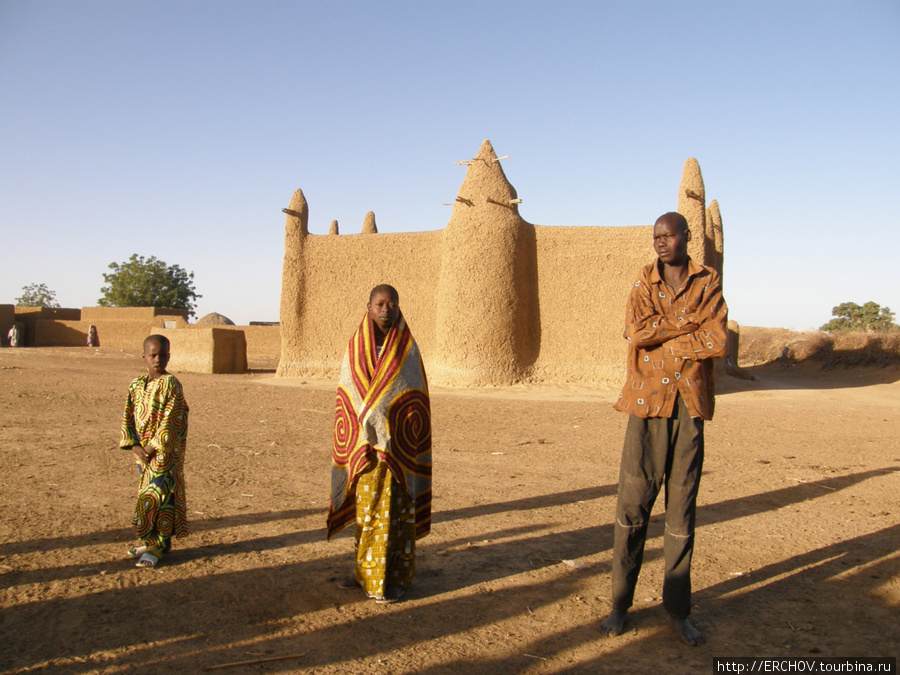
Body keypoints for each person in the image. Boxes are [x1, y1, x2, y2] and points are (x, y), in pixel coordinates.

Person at [599, 212, 728, 646]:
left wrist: (664, 337)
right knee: (632, 511)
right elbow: (635, 331)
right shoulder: (642, 281)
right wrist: (686, 325)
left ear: (687, 237)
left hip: (689, 408)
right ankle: (620, 606)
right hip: (647, 406)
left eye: (668, 235)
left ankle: (677, 610)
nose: (660, 242)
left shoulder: (707, 281)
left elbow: (718, 340)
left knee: (681, 514)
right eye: (655, 236)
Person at [327, 284, 432, 604]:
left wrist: (385, 418)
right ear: (368, 307)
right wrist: (368, 420)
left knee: (396, 515)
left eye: (392, 303)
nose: (386, 308)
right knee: (368, 513)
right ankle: (364, 572)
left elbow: (413, 395)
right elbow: (349, 393)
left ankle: (394, 578)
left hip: (397, 449)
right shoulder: (355, 348)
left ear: (399, 307)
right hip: (366, 448)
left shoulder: (408, 349)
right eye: (380, 303)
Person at [119, 334, 189, 568]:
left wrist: (152, 447)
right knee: (146, 495)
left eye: (162, 355)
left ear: (169, 356)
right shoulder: (135, 385)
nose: (158, 360)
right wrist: (136, 446)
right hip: (142, 454)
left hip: (163, 454)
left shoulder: (171, 384)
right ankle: (153, 540)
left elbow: (173, 420)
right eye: (153, 355)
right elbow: (127, 416)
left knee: (158, 497)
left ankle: (156, 546)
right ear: (144, 357)